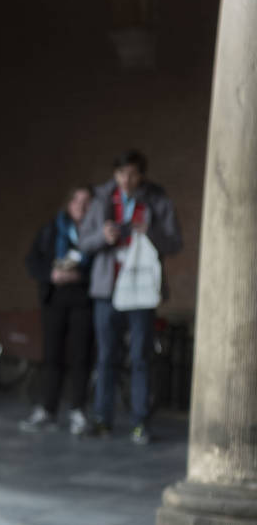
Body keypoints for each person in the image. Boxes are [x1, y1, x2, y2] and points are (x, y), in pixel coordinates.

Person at [79, 149, 182, 444]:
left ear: (142, 175)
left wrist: (150, 232)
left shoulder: (157, 200)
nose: (127, 179)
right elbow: (84, 241)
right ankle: (103, 419)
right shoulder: (101, 201)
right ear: (114, 174)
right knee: (106, 356)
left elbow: (175, 242)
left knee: (140, 357)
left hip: (141, 292)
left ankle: (140, 422)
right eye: (121, 173)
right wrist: (103, 237)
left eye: (133, 173)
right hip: (107, 290)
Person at [20, 186, 94, 435]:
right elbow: (32, 261)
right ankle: (47, 409)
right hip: (54, 298)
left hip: (83, 300)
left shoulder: (95, 233)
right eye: (77, 201)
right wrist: (51, 275)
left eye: (87, 203)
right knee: (51, 356)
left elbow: (101, 266)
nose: (81, 207)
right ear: (68, 203)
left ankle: (78, 410)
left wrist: (78, 275)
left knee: (80, 356)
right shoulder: (52, 229)